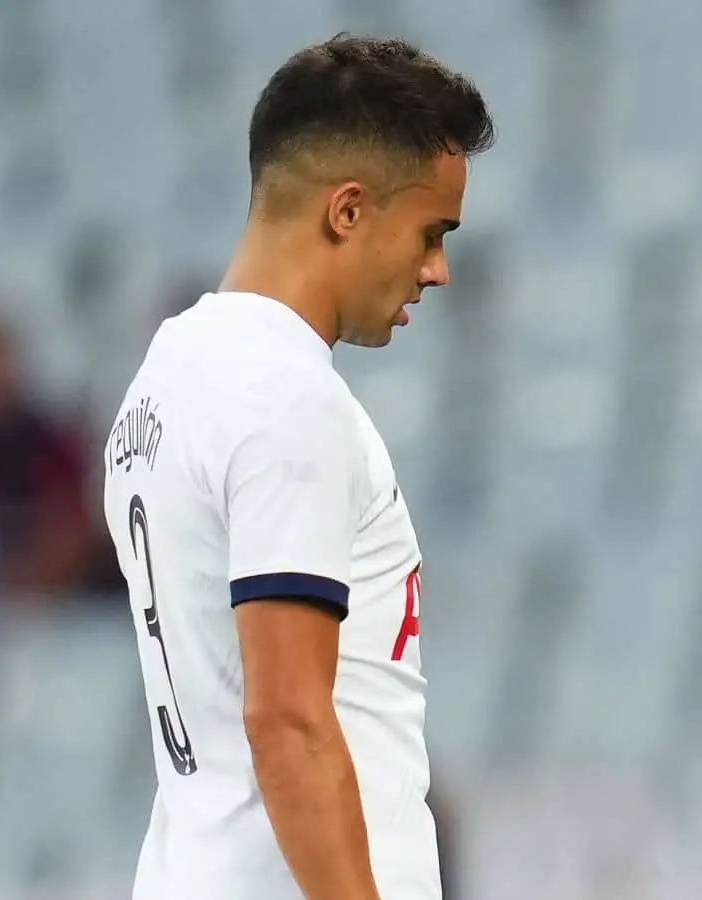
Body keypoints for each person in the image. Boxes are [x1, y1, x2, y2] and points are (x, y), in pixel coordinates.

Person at [100, 34, 493, 900]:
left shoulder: (163, 383)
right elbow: (288, 721)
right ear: (347, 210)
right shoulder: (286, 399)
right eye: (432, 231)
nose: (439, 270)